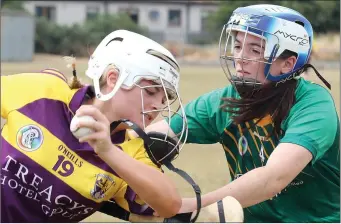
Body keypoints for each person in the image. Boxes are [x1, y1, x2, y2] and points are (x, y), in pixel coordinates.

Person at [147, 4, 340, 223]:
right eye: (238, 46)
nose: (240, 57)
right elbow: (150, 138)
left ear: (288, 64)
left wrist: (193, 206)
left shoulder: (313, 105)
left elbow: (273, 178)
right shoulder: (224, 101)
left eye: (255, 50)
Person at [0, 29, 188, 222]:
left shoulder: (132, 152)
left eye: (164, 99)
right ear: (113, 78)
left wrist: (107, 151)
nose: (158, 105)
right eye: (150, 92)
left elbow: (170, 205)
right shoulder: (45, 91)